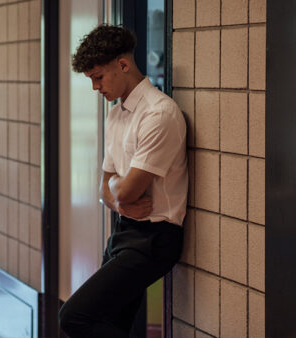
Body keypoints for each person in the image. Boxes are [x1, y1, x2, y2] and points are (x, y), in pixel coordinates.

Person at [58, 25, 188, 337]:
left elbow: (126, 190)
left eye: (98, 77)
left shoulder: (160, 114)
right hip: (124, 232)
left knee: (73, 317)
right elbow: (105, 190)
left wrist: (117, 191)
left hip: (155, 239)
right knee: (111, 324)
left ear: (123, 65)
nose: (95, 88)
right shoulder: (116, 115)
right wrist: (117, 193)